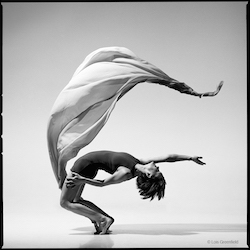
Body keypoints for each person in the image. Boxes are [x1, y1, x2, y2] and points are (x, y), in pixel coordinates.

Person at [60, 150, 205, 235]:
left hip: (83, 168)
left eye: (158, 171)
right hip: (88, 166)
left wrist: (81, 179)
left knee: (65, 203)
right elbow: (169, 158)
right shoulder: (140, 162)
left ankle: (102, 220)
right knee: (76, 200)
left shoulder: (125, 172)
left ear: (148, 174)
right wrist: (189, 158)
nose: (158, 167)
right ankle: (102, 218)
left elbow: (103, 183)